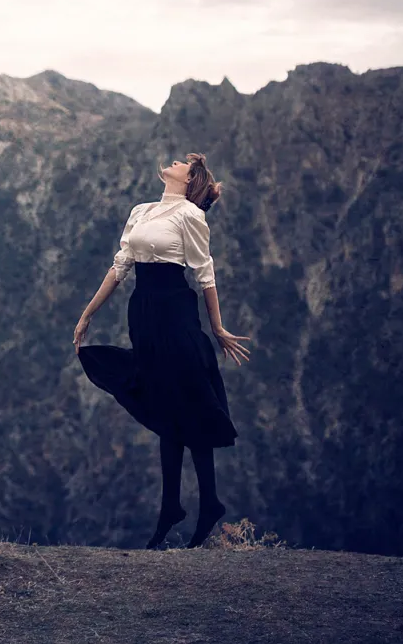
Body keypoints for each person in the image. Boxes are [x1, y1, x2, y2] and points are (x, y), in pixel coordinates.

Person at [73, 152, 252, 550]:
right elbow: (120, 267)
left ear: (189, 181)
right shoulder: (141, 211)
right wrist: (87, 315)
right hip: (144, 314)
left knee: (189, 403)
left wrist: (217, 328)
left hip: (176, 312)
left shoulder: (190, 216)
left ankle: (202, 504)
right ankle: (177, 506)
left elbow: (205, 274)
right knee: (167, 405)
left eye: (182, 164)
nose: (173, 162)